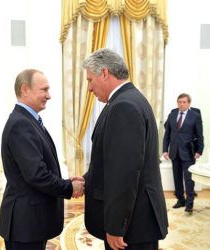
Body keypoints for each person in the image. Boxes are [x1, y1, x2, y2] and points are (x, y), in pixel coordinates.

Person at [82, 48, 168, 250]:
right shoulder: (129, 99)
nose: (89, 89)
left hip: (132, 226)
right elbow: (113, 161)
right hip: (135, 220)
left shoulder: (124, 106)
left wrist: (115, 226)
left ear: (104, 73)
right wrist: (86, 180)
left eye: (89, 80)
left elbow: (124, 173)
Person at [0, 69, 85, 250]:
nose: (49, 96)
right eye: (44, 90)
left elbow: (38, 168)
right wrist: (68, 187)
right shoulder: (21, 124)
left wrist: (64, 181)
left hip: (31, 222)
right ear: (25, 89)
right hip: (25, 224)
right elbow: (37, 174)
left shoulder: (28, 120)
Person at [163, 93, 204, 214]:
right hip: (174, 151)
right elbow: (167, 135)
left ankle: (189, 203)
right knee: (177, 178)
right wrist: (165, 149)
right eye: (179, 102)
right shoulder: (172, 114)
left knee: (189, 179)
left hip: (188, 152)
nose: (181, 104)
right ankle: (180, 199)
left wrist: (199, 150)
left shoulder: (195, 116)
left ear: (189, 103)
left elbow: (199, 135)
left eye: (184, 102)